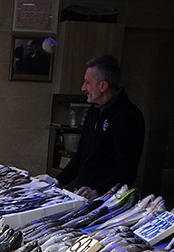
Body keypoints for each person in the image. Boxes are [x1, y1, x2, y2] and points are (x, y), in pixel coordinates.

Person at [56, 55, 145, 200]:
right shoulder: (94, 110)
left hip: (110, 201)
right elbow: (81, 155)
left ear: (102, 86)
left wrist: (98, 191)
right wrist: (57, 181)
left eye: (87, 82)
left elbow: (126, 169)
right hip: (85, 196)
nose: (83, 88)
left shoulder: (128, 115)